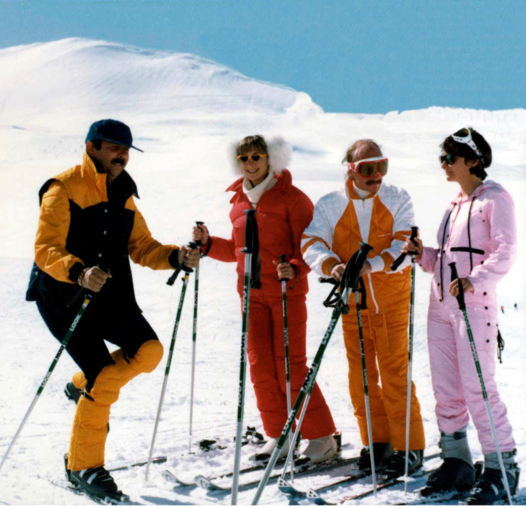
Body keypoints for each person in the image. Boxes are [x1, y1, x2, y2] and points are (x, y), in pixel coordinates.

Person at [27, 119, 199, 500]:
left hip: (109, 293)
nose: (121, 154)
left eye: (126, 148)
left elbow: (141, 246)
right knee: (104, 374)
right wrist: (78, 271)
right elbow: (45, 249)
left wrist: (176, 256)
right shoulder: (63, 187)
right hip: (63, 295)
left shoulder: (124, 192)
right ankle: (83, 466)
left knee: (149, 351)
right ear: (92, 147)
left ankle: (81, 387)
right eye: (113, 146)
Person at [192, 135, 338, 464]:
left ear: (271, 158)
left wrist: (296, 268)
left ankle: (322, 438)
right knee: (260, 368)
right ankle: (280, 435)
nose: (250, 163)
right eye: (244, 158)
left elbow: (310, 247)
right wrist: (206, 244)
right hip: (251, 297)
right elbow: (235, 251)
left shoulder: (294, 199)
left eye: (257, 156)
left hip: (286, 295)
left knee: (291, 366)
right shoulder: (238, 203)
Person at [402, 128, 519, 504]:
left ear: (473, 160)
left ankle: (502, 468)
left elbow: (505, 251)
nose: (444, 165)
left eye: (450, 158)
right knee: (447, 390)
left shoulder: (495, 199)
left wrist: (476, 280)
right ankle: (457, 462)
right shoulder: (455, 205)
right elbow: (448, 261)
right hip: (442, 305)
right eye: (443, 158)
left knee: (478, 388)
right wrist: (423, 254)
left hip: (474, 304)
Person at [301, 139, 425, 478]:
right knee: (361, 374)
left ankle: (409, 446)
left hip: (391, 298)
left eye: (381, 167)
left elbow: (404, 243)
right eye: (367, 169)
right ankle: (377, 441)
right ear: (351, 170)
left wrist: (371, 265)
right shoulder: (330, 204)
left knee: (395, 370)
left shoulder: (398, 198)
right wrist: (331, 265)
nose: (376, 176)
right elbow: (311, 241)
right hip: (353, 301)